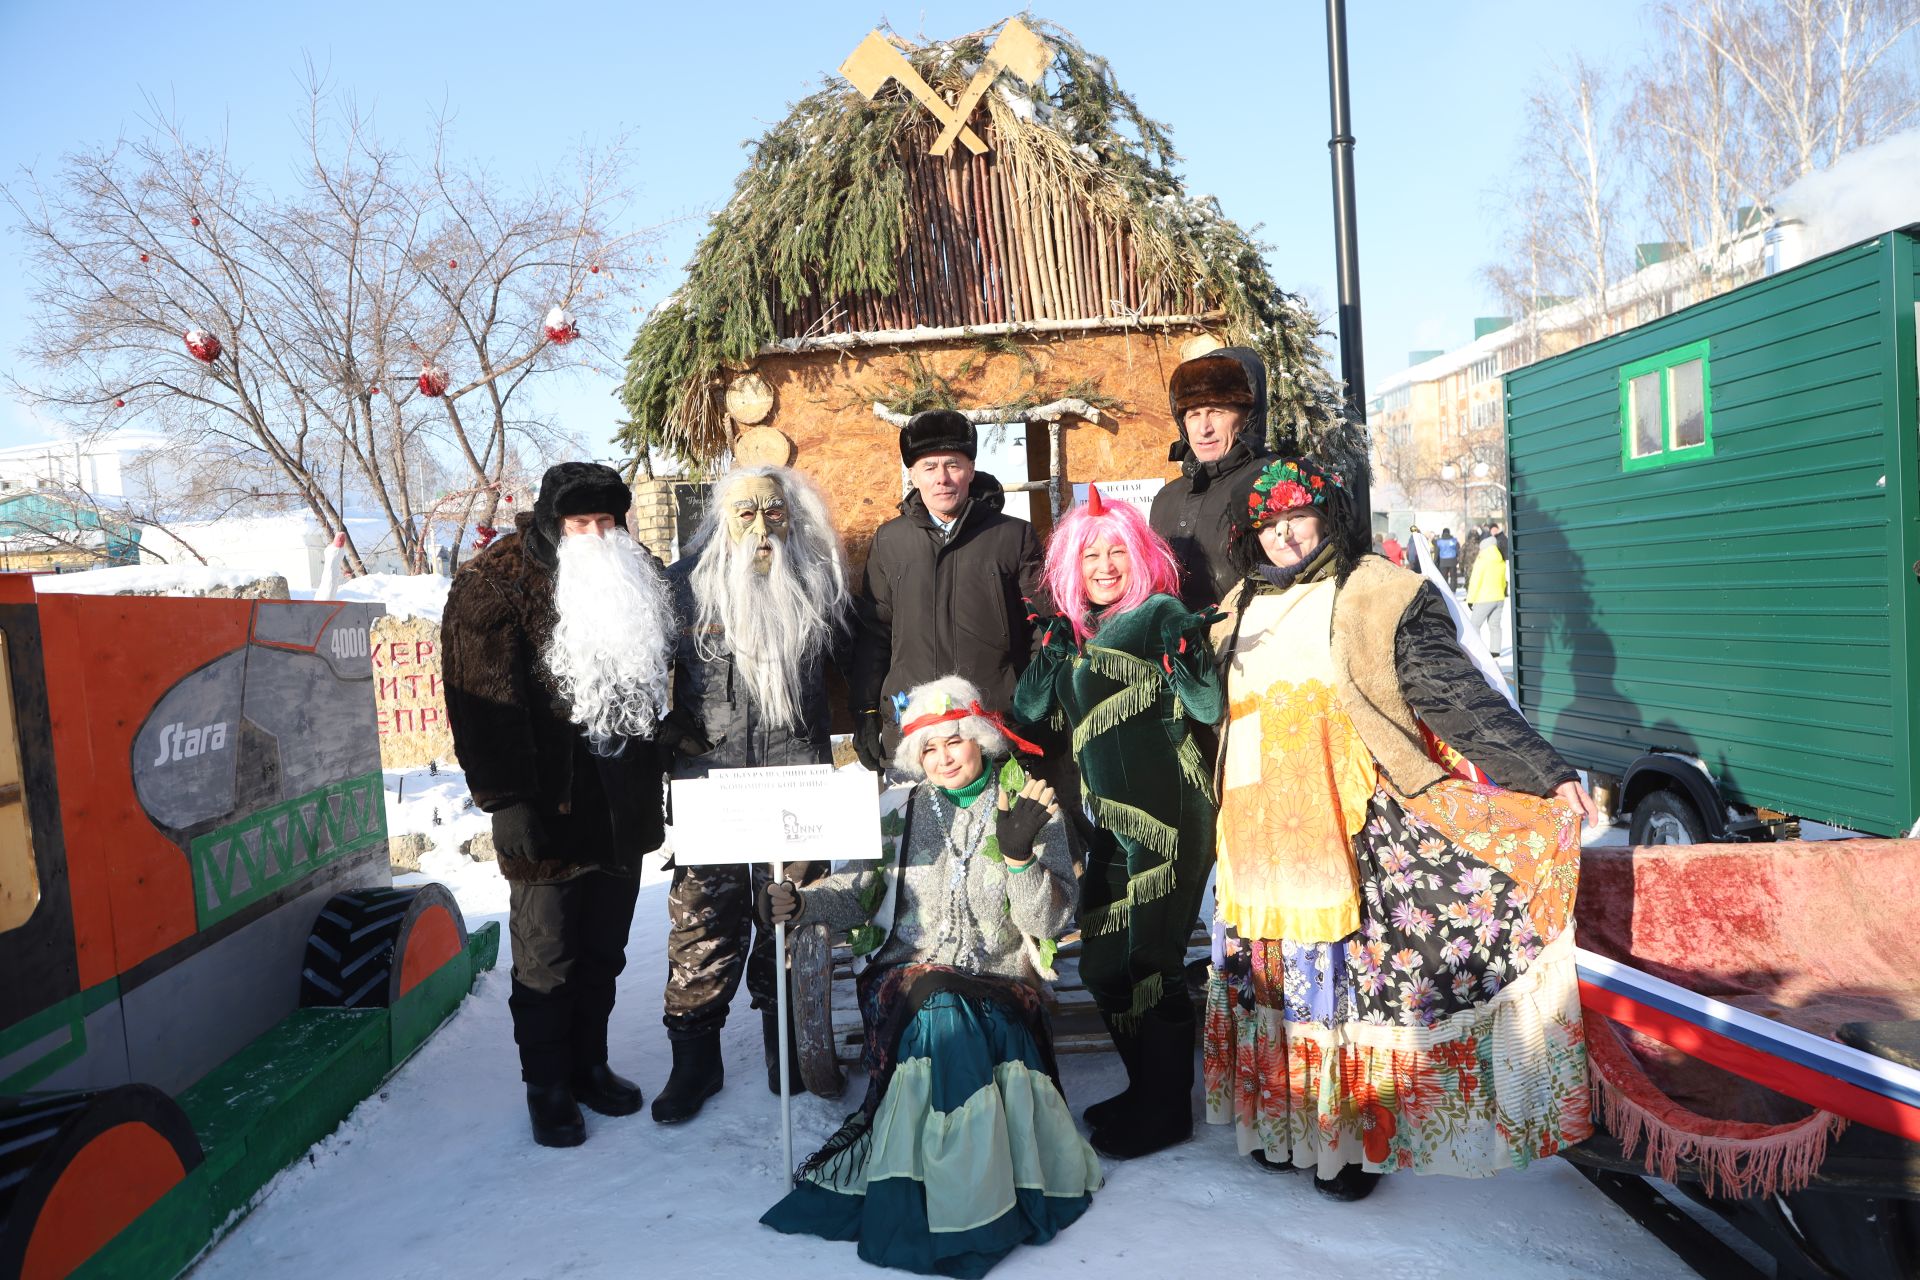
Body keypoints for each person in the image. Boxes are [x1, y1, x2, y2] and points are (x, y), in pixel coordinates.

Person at [1203, 453, 1599, 1200]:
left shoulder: (1375, 594)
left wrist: (1543, 771)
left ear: (1329, 516)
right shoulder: (1232, 612)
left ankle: (1346, 1143)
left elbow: (1454, 695)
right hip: (1255, 844)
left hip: (1348, 826)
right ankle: (1281, 1128)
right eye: (1267, 522)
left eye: (1297, 515)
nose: (1283, 534)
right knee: (1272, 989)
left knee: (1343, 993)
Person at [759, 676, 1100, 1278]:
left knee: (944, 1004)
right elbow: (859, 893)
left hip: (999, 982)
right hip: (908, 978)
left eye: (954, 743)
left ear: (980, 739)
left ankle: (936, 1193)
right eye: (929, 749)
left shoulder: (1026, 803)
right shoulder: (900, 810)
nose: (942, 759)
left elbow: (1049, 919)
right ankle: (969, 1198)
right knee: (935, 998)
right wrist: (802, 902)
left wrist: (1020, 859)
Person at [442, 462, 673, 1147]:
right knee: (548, 956)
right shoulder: (496, 581)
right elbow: (478, 701)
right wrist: (506, 799)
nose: (597, 535)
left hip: (619, 801)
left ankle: (590, 1065)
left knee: (604, 950)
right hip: (546, 804)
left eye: (607, 522)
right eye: (582, 523)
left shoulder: (632, 571)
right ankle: (547, 1087)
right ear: (551, 520)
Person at [1014, 488, 1223, 1160]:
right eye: (1091, 555)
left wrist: (1188, 651)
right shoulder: (1075, 632)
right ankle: (1144, 1089)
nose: (1104, 565)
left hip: (1170, 818)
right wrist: (1047, 656)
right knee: (1105, 961)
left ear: (1139, 558)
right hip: (1110, 822)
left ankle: (1167, 1112)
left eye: (1116, 553)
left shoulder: (1161, 613)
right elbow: (1030, 718)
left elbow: (1208, 704)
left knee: (1152, 962)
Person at [653, 465, 852, 1124]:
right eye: (745, 514)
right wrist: (666, 730)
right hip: (710, 783)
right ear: (722, 519)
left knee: (793, 915)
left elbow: (861, 662)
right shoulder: (683, 588)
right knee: (702, 923)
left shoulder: (820, 582)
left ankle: (785, 1046)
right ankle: (694, 1061)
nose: (761, 527)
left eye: (774, 512)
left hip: (796, 779)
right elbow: (645, 671)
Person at [850, 409, 1044, 770]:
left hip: (995, 728)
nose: (942, 478)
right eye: (929, 466)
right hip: (916, 733)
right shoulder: (890, 541)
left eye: (953, 465)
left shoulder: (1013, 536)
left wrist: (1033, 704)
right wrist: (865, 710)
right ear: (913, 474)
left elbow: (1040, 629)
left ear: (971, 469)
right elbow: (875, 633)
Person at [1148, 346, 1273, 613]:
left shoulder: (1272, 482)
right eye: (1193, 415)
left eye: (1216, 412)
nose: (1204, 428)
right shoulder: (1166, 498)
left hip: (1248, 647)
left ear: (1246, 416)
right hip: (1177, 652)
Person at [1466, 530, 1510, 656]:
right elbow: (1503, 580)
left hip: (1484, 598)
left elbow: (1475, 580)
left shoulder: (1483, 558)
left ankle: (1477, 652)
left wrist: (1470, 599)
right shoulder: (1500, 557)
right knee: (1495, 626)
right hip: (1499, 597)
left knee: (1474, 625)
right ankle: (1495, 651)